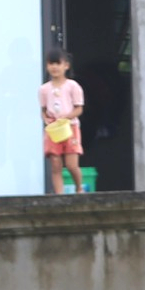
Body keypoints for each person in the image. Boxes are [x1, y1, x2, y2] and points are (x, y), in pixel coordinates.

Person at [40, 49, 85, 194]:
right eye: (51, 64)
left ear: (66, 65)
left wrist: (66, 117)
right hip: (53, 129)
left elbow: (79, 109)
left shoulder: (73, 86)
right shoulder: (44, 89)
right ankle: (59, 196)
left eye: (57, 63)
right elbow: (44, 110)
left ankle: (79, 188)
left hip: (70, 128)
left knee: (72, 165)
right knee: (55, 163)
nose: (54, 67)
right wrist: (46, 118)